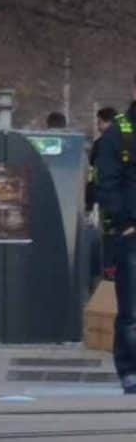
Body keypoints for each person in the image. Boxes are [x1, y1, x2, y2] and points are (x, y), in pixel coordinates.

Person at [92, 101, 136, 394]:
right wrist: (126, 221)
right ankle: (130, 371)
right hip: (131, 232)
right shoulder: (117, 134)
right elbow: (106, 184)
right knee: (131, 309)